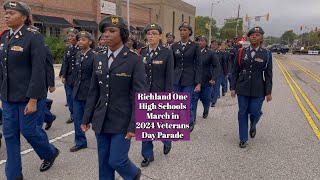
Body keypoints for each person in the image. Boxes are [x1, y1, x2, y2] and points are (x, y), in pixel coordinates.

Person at [0, 2, 60, 179]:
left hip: (28, 97)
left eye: (11, 13)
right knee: (10, 135)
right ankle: (14, 175)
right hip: (9, 97)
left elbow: (38, 69)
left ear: (24, 17)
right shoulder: (4, 37)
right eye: (6, 13)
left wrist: (33, 99)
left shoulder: (33, 37)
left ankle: (49, 153)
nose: (6, 16)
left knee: (29, 131)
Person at [81, 15, 145, 180]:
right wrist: (86, 118)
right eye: (104, 31)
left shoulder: (134, 60)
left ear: (122, 34)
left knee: (117, 160)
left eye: (112, 30)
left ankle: (133, 174)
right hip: (101, 119)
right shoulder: (98, 58)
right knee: (103, 162)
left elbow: (139, 96)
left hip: (123, 121)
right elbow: (94, 91)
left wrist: (134, 125)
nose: (106, 34)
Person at [231, 26, 273, 148]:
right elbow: (235, 71)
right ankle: (243, 138)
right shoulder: (241, 52)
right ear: (249, 37)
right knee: (242, 112)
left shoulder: (267, 54)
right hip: (242, 87)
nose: (254, 36)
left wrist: (268, 92)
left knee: (255, 112)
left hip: (258, 88)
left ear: (261, 38)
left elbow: (269, 74)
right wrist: (233, 87)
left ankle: (253, 124)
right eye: (252, 34)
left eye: (257, 35)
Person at [138, 23, 174, 167]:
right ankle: (147, 154)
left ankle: (166, 140)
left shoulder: (166, 52)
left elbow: (169, 76)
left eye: (154, 33)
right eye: (148, 33)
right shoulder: (141, 52)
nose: (150, 36)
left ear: (159, 35)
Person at [171, 22, 202, 132]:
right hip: (176, 78)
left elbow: (198, 65)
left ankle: (189, 120)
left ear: (189, 32)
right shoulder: (174, 46)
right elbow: (172, 64)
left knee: (186, 102)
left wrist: (198, 82)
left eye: (185, 30)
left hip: (189, 78)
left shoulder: (194, 46)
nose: (182, 32)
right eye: (181, 30)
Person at [70, 31, 95, 152]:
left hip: (90, 92)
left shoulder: (94, 56)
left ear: (90, 42)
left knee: (95, 119)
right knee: (77, 118)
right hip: (78, 91)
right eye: (79, 39)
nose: (80, 41)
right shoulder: (78, 54)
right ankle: (80, 142)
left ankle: (103, 139)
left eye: (83, 39)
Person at [192, 35, 219, 122]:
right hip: (194, 80)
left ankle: (206, 109)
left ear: (206, 42)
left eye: (202, 40)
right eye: (198, 40)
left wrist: (213, 78)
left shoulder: (210, 53)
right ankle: (192, 118)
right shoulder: (193, 52)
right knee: (193, 99)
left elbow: (216, 66)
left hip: (206, 80)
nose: (200, 42)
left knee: (205, 99)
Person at [62, 27, 80, 124]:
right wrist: (63, 76)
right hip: (69, 77)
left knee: (76, 97)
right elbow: (65, 63)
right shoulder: (68, 49)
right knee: (69, 97)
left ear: (77, 37)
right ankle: (72, 115)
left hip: (78, 77)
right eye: (68, 36)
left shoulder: (80, 48)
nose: (70, 38)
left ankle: (77, 115)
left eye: (72, 36)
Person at [210, 40, 227, 107]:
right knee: (210, 87)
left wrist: (226, 73)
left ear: (218, 46)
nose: (213, 45)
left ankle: (214, 101)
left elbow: (224, 64)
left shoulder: (221, 54)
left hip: (219, 72)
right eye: (212, 44)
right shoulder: (208, 53)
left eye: (215, 44)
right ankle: (211, 98)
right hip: (209, 72)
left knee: (216, 87)